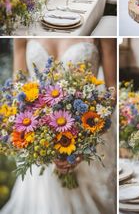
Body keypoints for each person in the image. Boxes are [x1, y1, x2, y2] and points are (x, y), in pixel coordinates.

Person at [1, 38, 117, 214]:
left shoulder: (103, 34)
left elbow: (112, 89)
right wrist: (40, 141)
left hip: (89, 134)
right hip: (38, 136)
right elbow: (18, 87)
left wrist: (83, 142)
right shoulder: (22, 32)